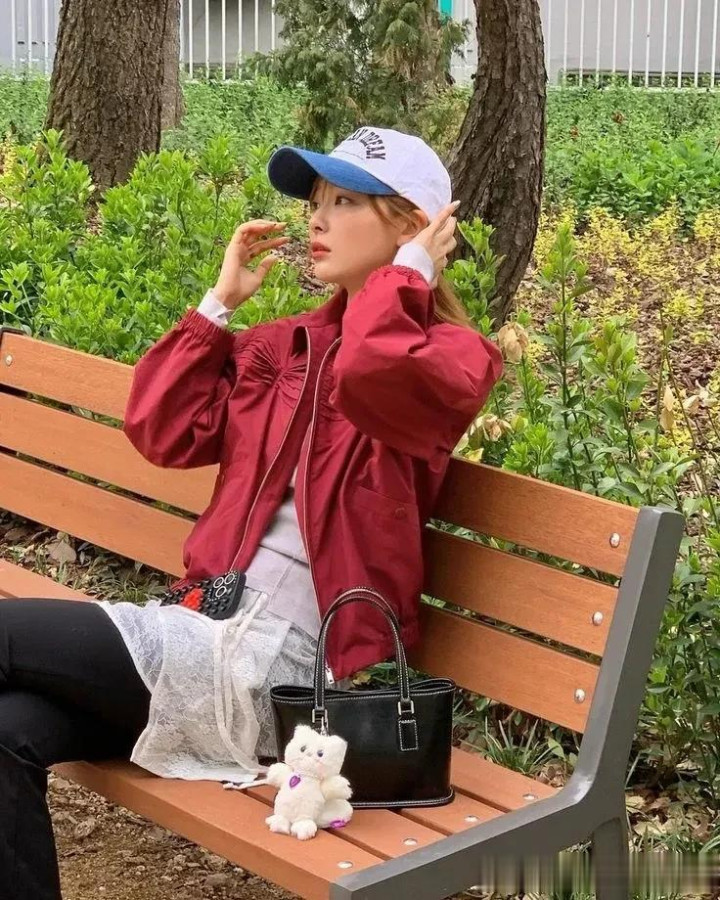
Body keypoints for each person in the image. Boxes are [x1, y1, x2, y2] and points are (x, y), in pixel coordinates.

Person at [0, 126, 502, 900]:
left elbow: (371, 372)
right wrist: (218, 305)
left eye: (345, 202)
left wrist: (408, 277)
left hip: (286, 675)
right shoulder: (281, 347)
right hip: (203, 635)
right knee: (8, 732)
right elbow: (162, 429)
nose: (317, 219)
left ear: (413, 224)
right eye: (315, 202)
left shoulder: (453, 358)